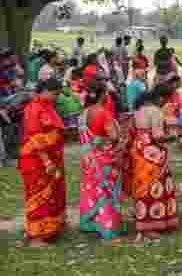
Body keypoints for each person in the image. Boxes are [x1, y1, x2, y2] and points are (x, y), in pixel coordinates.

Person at [17, 78, 66, 247]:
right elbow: (35, 137)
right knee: (38, 196)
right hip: (36, 160)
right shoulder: (33, 108)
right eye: (55, 94)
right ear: (44, 90)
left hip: (50, 159)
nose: (56, 97)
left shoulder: (48, 107)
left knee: (51, 195)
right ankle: (36, 237)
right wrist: (47, 162)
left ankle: (49, 229)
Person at [78, 80, 127, 242]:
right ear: (102, 95)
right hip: (104, 159)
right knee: (106, 193)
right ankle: (109, 229)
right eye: (106, 93)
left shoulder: (83, 113)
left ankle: (92, 223)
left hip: (88, 159)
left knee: (92, 191)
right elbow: (113, 136)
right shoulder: (103, 113)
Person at [128, 85, 178, 240]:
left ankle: (142, 221)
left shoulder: (137, 112)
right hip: (152, 153)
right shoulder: (156, 111)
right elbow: (158, 137)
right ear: (159, 99)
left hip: (139, 150)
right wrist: (174, 136)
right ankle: (152, 225)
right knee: (156, 186)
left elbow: (132, 132)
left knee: (142, 186)